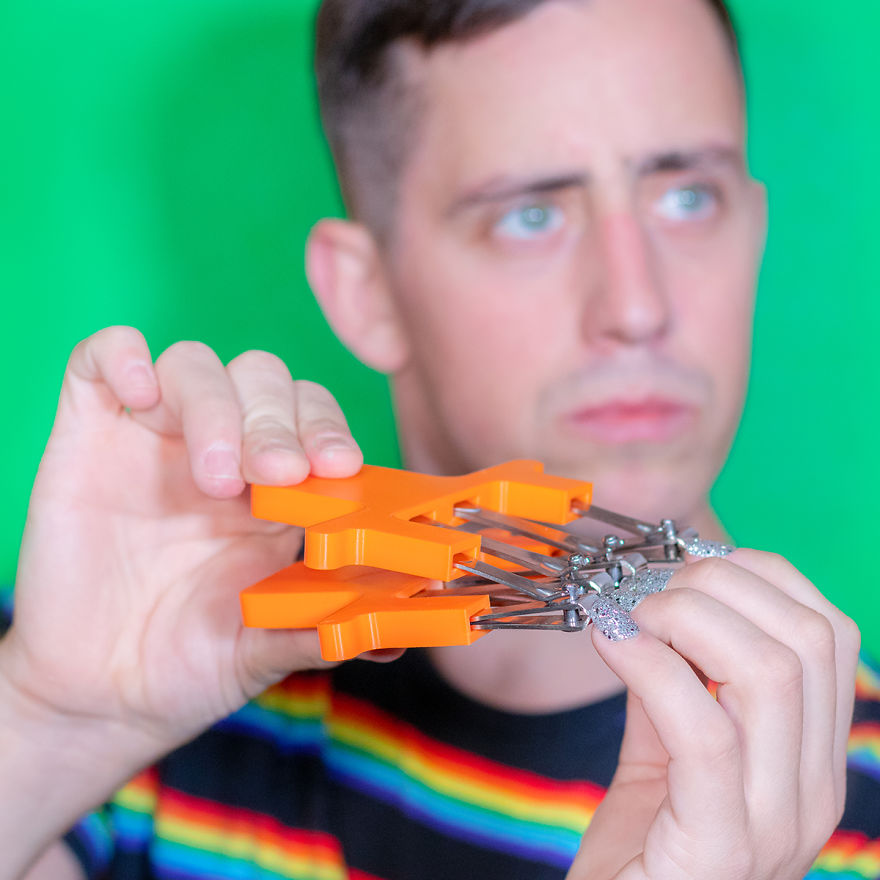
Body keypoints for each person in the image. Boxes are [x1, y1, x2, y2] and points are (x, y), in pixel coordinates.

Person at [1, 0, 878, 878]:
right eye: (529, 216)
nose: (636, 306)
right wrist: (55, 724)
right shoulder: (140, 663)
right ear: (367, 294)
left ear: (755, 229)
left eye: (688, 198)